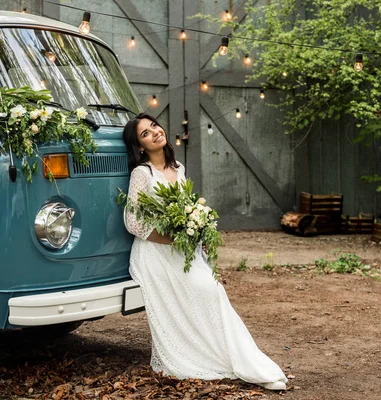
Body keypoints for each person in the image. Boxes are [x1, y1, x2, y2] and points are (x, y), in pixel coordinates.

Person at [121, 113, 288, 391]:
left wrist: (198, 231)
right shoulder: (142, 174)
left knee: (212, 290)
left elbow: (186, 209)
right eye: (145, 134)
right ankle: (201, 355)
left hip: (182, 249)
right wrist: (169, 240)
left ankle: (241, 358)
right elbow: (133, 221)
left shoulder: (179, 168)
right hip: (153, 252)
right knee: (202, 290)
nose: (155, 132)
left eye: (154, 126)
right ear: (140, 147)